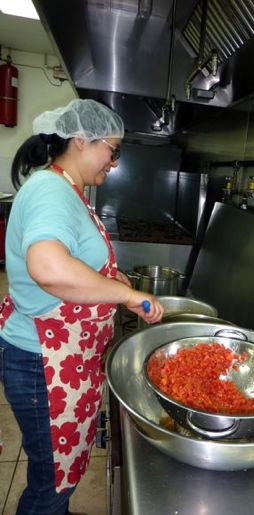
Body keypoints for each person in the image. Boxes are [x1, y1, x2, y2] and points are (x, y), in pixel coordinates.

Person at [0, 98, 164, 515]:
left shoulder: (69, 190)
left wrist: (113, 281)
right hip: (43, 363)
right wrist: (127, 296)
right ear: (81, 140)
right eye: (113, 150)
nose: (114, 162)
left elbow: (75, 261)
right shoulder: (50, 190)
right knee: (50, 484)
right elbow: (49, 267)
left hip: (62, 359)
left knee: (61, 474)